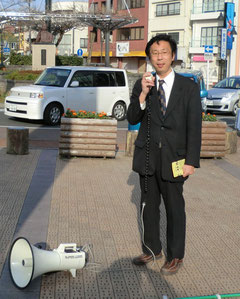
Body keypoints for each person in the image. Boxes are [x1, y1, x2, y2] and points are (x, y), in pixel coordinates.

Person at [127, 34, 202, 275]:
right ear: (150, 57)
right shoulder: (143, 84)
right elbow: (131, 118)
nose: (159, 58)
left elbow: (194, 127)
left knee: (174, 208)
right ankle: (152, 249)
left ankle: (175, 255)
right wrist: (142, 96)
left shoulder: (188, 87)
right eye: (155, 53)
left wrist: (191, 162)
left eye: (164, 53)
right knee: (148, 207)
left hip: (175, 159)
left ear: (172, 56)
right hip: (148, 158)